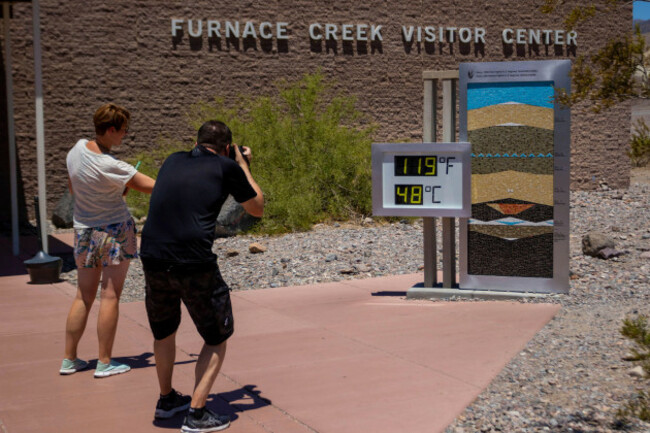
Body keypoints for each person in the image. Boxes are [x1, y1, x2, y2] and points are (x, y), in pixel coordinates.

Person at [140, 120, 264, 432]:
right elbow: (256, 207)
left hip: (153, 257)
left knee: (164, 331)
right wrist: (242, 164)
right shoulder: (227, 166)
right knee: (216, 336)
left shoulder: (172, 160)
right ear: (226, 148)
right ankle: (196, 414)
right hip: (193, 262)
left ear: (196, 142)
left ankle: (167, 399)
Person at [61, 103, 156, 378]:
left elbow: (73, 188)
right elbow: (154, 186)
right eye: (124, 131)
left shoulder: (76, 149)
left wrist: (106, 191)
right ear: (111, 130)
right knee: (110, 296)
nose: (125, 136)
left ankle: (69, 359)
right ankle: (104, 362)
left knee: (83, 295)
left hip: (84, 230)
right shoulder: (111, 165)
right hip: (114, 232)